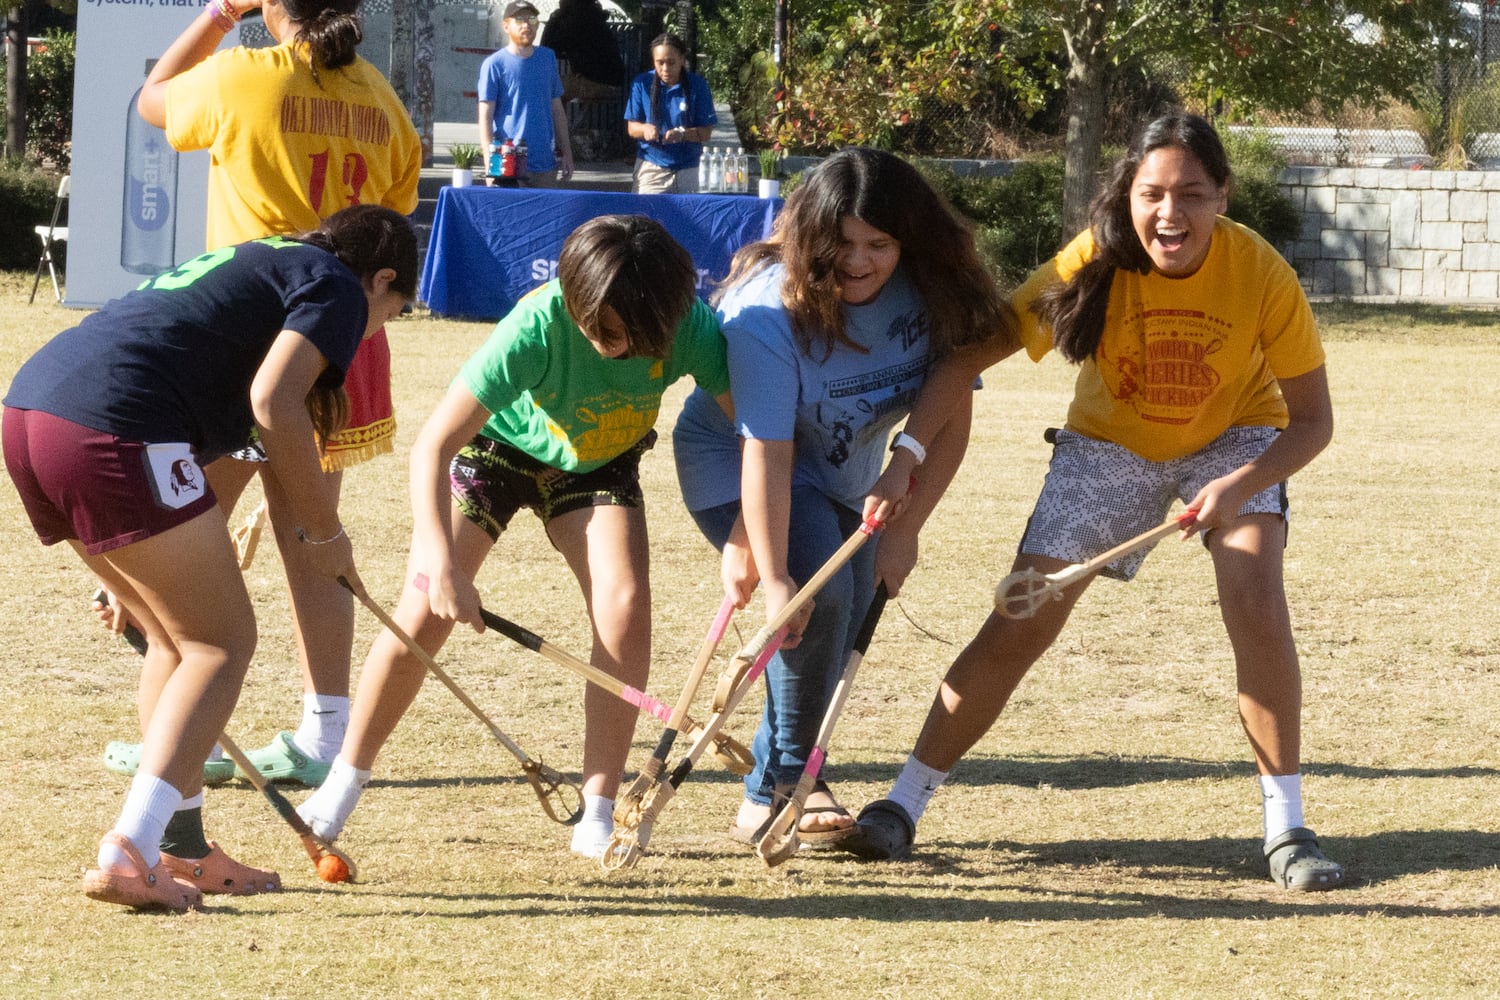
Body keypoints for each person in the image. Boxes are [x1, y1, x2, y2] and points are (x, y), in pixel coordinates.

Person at [843, 113, 1346, 892]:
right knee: (1024, 615)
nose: (1170, 213)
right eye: (1153, 193)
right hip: (1109, 442)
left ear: (1223, 197)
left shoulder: (1261, 272)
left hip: (1237, 436)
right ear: (1130, 193)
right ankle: (902, 803)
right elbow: (968, 356)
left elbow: (1313, 421)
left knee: (1255, 593)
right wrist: (907, 455)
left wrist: (1241, 484)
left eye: (1192, 194)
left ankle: (1288, 829)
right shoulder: (1094, 258)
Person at [3, 205, 417, 911]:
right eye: (395, 311)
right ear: (381, 279)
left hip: (31, 415)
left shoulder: (264, 266)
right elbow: (272, 403)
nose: (375, 330)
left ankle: (183, 848)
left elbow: (226, 441)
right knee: (221, 645)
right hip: (111, 427)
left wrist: (134, 567)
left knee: (171, 638)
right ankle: (129, 850)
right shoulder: (337, 287)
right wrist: (325, 532)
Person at [295, 215, 732, 859]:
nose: (625, 350)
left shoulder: (689, 323)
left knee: (625, 605)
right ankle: (343, 783)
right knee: (421, 613)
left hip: (599, 461)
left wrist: (754, 535)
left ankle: (599, 811)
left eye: (644, 339)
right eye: (608, 333)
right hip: (496, 452)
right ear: (574, 300)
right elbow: (434, 445)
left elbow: (751, 428)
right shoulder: (535, 324)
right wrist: (440, 563)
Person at [95, 0, 424, 791]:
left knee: (184, 541)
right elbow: (394, 218)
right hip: (340, 337)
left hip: (246, 341)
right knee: (313, 537)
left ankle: (184, 729)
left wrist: (216, 15)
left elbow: (150, 100)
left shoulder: (243, 73)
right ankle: (325, 731)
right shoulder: (381, 97)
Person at [671, 148, 1019, 848]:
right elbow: (767, 450)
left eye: (878, 245)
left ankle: (762, 792)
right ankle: (792, 783)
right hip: (739, 465)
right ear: (809, 236)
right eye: (839, 243)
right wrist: (771, 579)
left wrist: (909, 526)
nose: (857, 262)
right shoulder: (765, 313)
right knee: (810, 598)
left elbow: (949, 406)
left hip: (844, 474)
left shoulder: (928, 288)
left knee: (847, 603)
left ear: (907, 240)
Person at [478, 0, 576, 187]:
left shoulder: (547, 58)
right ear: (506, 26)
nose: (526, 25)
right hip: (508, 163)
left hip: (544, 162)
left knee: (545, 215)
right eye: (520, 19)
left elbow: (557, 108)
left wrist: (567, 153)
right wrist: (489, 162)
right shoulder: (494, 64)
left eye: (531, 19)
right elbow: (485, 116)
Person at [623, 33, 717, 194]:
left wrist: (683, 134)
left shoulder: (698, 85)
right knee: (644, 216)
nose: (665, 69)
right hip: (652, 165)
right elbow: (632, 128)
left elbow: (706, 133)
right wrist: (645, 129)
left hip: (690, 166)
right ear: (653, 61)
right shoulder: (641, 83)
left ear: (682, 59)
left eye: (671, 63)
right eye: (660, 63)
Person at [541, 0, 625, 102]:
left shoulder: (574, 20)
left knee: (546, 89)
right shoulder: (594, 17)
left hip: (593, 81)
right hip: (612, 81)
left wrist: (554, 19)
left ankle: (552, 118)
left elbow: (547, 46)